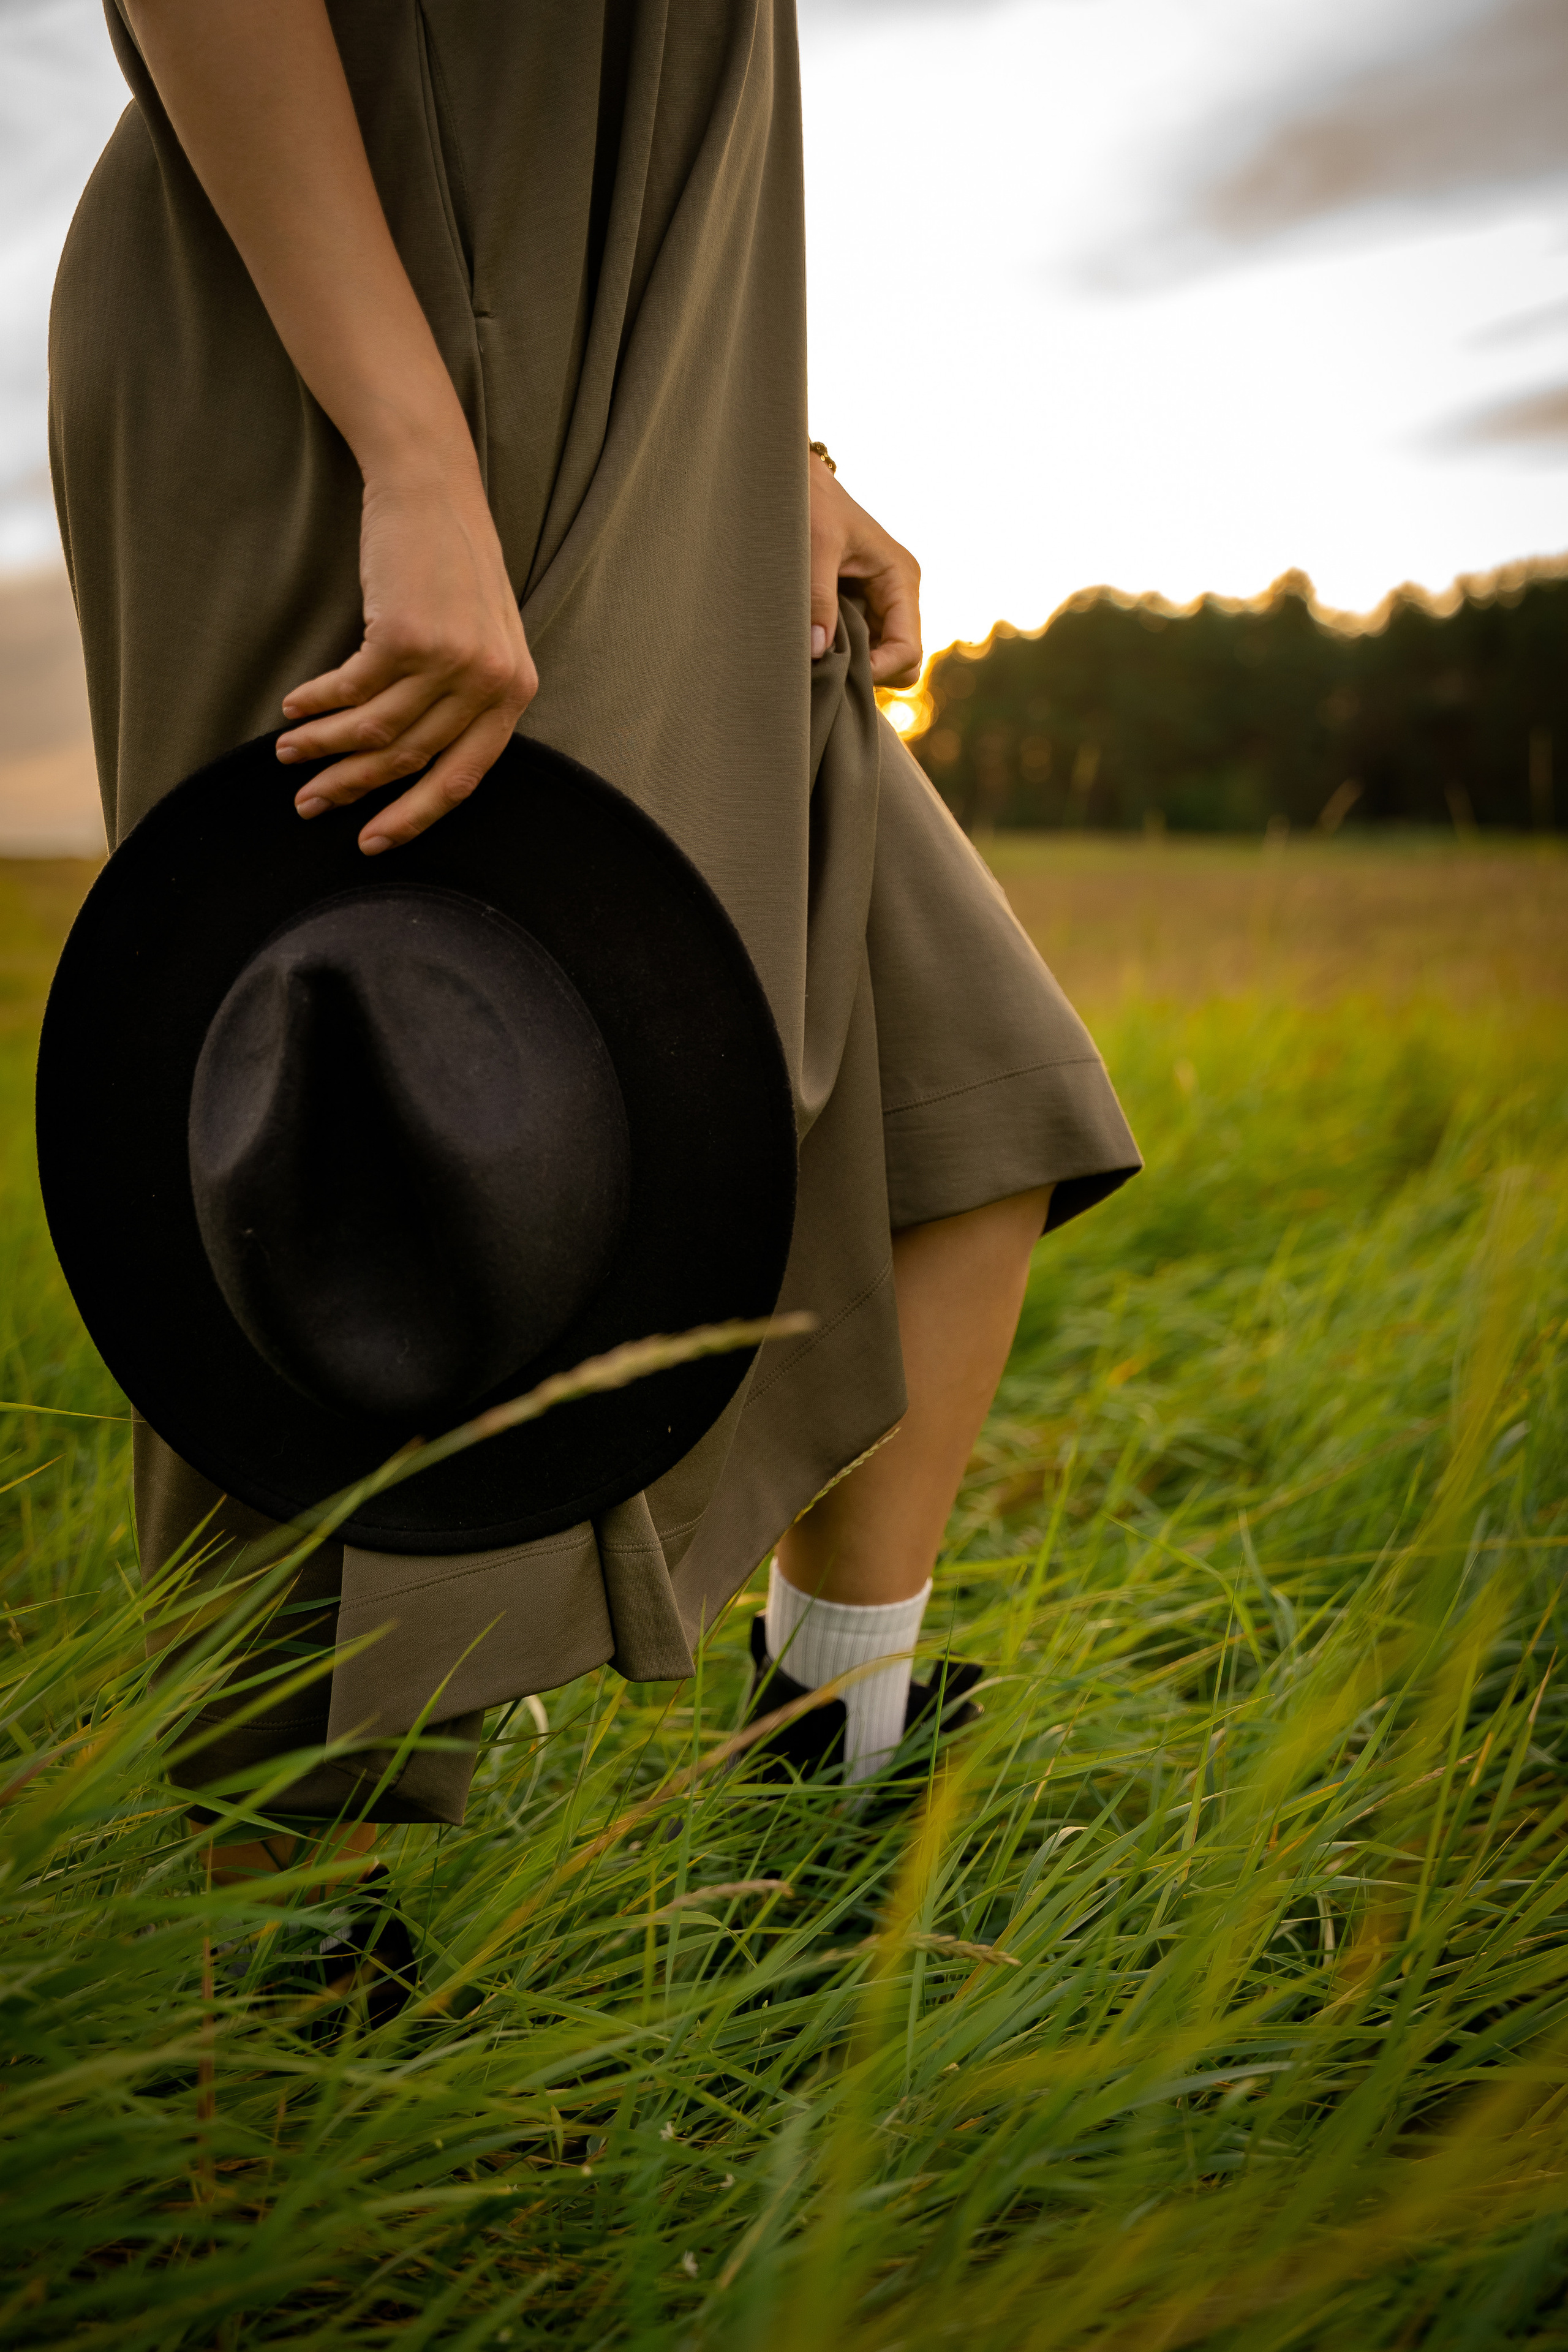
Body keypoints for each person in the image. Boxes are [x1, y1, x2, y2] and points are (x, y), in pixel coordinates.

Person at [49, 0, 1139, 1898]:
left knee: (955, 1077)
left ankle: (827, 1810)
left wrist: (768, 440)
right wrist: (409, 449)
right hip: (356, 341)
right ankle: (291, 2044)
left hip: (666, 392)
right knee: (345, 1161)